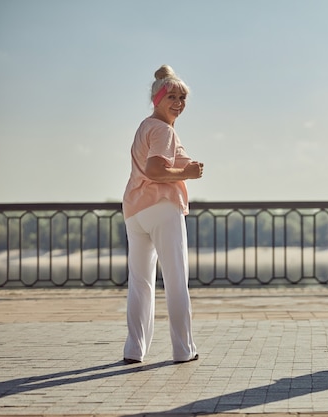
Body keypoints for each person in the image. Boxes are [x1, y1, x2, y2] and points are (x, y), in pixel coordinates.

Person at [122, 65, 204, 364]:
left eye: (182, 98)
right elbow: (156, 170)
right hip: (161, 207)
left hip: (134, 210)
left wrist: (186, 166)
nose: (178, 103)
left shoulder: (145, 127)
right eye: (172, 96)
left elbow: (156, 163)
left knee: (140, 282)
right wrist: (189, 173)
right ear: (157, 98)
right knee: (175, 278)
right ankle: (184, 350)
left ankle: (134, 349)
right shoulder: (163, 130)